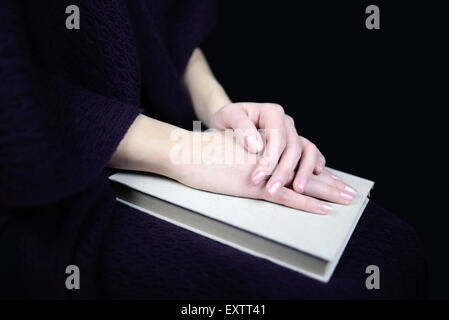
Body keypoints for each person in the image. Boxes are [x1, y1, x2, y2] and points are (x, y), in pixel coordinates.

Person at [0, 0, 426, 299]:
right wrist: (186, 150)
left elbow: (160, 14)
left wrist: (222, 111)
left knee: (392, 248)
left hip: (159, 126)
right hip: (46, 195)